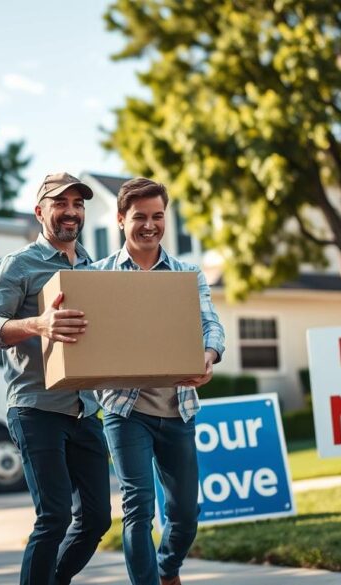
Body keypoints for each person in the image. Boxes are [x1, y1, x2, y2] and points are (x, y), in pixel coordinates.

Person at [0, 172, 111, 585]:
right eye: (61, 204)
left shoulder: (93, 267)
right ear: (40, 212)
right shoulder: (19, 265)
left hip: (84, 409)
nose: (71, 212)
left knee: (96, 519)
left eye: (78, 204)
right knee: (53, 516)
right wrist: (39, 323)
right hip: (35, 408)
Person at [92, 177, 225, 585]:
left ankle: (167, 569)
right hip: (124, 409)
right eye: (139, 217)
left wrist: (209, 354)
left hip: (178, 406)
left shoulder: (187, 274)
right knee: (138, 506)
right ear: (120, 219)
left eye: (157, 216)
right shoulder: (98, 277)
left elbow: (211, 325)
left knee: (185, 512)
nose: (150, 225)